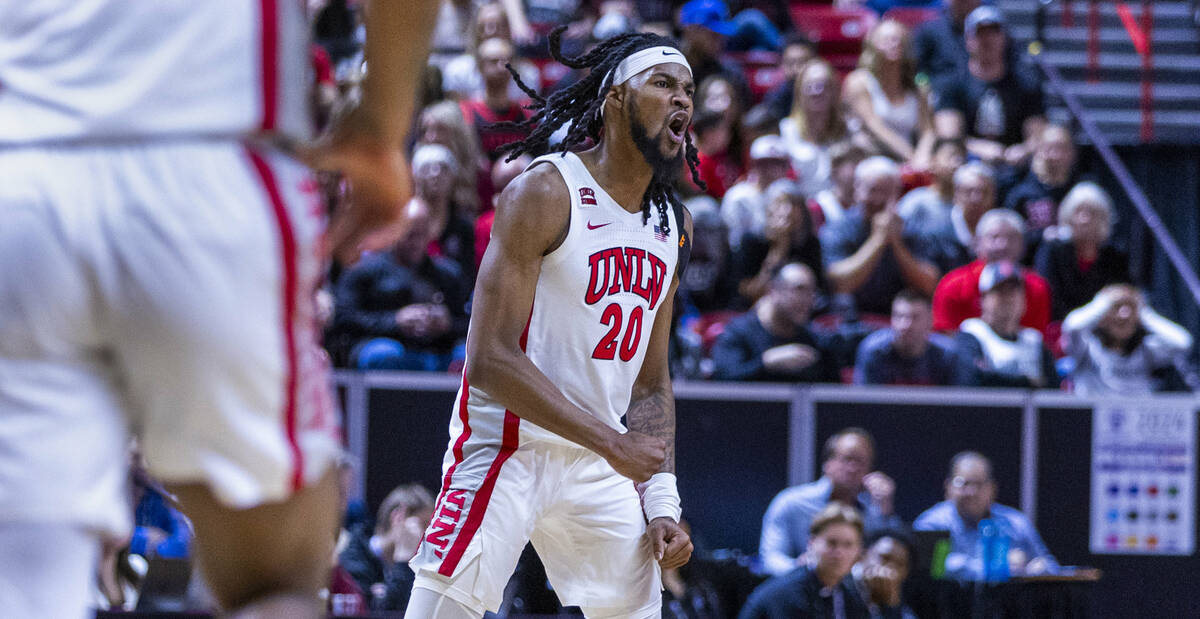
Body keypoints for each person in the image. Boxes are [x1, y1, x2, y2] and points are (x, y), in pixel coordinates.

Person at [0, 2, 438, 618]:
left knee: (22, 581)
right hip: (207, 162)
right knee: (277, 579)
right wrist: (381, 125)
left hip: (19, 172)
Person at [405, 30, 696, 618]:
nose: (682, 101)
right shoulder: (546, 190)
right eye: (663, 84)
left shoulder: (672, 225)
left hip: (596, 464)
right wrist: (612, 442)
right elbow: (488, 358)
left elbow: (649, 381)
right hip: (510, 444)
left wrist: (662, 502)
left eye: (689, 89)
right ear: (615, 99)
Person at [330, 198, 471, 371]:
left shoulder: (448, 274)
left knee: (466, 357)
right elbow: (343, 318)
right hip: (385, 345)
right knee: (384, 354)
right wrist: (395, 321)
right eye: (410, 234)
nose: (416, 242)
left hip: (438, 350)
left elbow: (470, 322)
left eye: (422, 234)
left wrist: (447, 323)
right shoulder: (363, 270)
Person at [759, 429, 902, 576]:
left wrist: (886, 509)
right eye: (847, 459)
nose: (853, 468)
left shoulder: (874, 511)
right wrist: (801, 572)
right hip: (803, 590)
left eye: (860, 461)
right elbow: (770, 560)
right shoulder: (792, 502)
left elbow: (893, 560)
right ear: (827, 463)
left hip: (856, 594)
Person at [821, 156, 946, 317]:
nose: (878, 199)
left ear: (897, 194)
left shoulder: (912, 229)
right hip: (850, 321)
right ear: (857, 189)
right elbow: (839, 283)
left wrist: (896, 243)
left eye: (886, 192)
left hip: (899, 321)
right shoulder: (838, 228)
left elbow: (929, 285)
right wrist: (877, 241)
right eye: (872, 190)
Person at [914, 452, 1059, 581]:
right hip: (949, 605)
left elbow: (1050, 566)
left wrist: (1036, 568)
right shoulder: (932, 523)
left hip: (1008, 606)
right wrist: (998, 568)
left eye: (979, 484)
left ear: (992, 489)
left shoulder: (1015, 522)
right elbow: (933, 565)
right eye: (963, 483)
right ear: (948, 487)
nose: (971, 492)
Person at [933, 6, 1044, 168]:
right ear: (967, 40)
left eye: (994, 32)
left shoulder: (1025, 83)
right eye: (980, 33)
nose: (987, 39)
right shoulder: (952, 83)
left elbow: (1037, 135)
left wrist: (1023, 150)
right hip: (966, 165)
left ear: (1004, 38)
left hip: (1015, 167)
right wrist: (979, 148)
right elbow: (949, 136)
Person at [740, 503, 880, 619]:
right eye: (832, 543)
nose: (839, 553)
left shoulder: (849, 591)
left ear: (859, 550)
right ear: (811, 543)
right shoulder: (788, 594)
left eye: (848, 545)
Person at [711, 263, 838, 383]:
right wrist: (766, 363)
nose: (808, 300)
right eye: (799, 289)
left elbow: (835, 394)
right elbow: (722, 379)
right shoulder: (738, 333)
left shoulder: (816, 341)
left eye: (812, 292)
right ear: (773, 291)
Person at [932, 209, 1053, 334]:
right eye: (994, 237)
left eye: (1011, 238)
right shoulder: (953, 286)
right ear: (977, 243)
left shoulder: (1037, 287)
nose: (1002, 245)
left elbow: (1036, 338)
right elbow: (945, 338)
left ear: (1023, 245)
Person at [1062, 285, 1194, 396]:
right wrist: (1105, 302)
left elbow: (1183, 343)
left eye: (1130, 308)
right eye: (1116, 307)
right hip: (1091, 421)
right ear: (1100, 315)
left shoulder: (1147, 350)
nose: (1124, 315)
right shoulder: (1086, 348)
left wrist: (1143, 312)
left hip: (1138, 421)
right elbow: (1072, 326)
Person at [842, 19, 936, 167]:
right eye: (887, 39)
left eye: (899, 39)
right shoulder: (859, 82)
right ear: (872, 45)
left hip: (909, 161)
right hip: (871, 157)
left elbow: (928, 131)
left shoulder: (918, 88)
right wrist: (912, 157)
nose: (894, 43)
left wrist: (922, 156)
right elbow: (874, 125)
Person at [954, 261, 1060, 388]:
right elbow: (972, 380)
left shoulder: (1034, 340)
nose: (1008, 298)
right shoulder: (972, 333)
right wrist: (1029, 382)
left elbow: (1053, 388)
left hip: (1030, 408)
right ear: (983, 299)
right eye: (1000, 292)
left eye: (1014, 291)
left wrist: (994, 377)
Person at [1034, 182, 1131, 320]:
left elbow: (1121, 292)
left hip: (1102, 326)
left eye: (1092, 213)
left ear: (1103, 219)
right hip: (1061, 323)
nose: (1084, 219)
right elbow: (1049, 295)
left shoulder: (1114, 255)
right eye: (1078, 212)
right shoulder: (1054, 250)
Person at [339, 484, 435, 612]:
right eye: (422, 524)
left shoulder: (423, 563)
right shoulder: (352, 558)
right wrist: (403, 560)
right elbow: (389, 612)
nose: (426, 534)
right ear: (397, 518)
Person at [732, 180, 828, 306]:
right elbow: (751, 293)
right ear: (768, 209)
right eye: (780, 203)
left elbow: (817, 290)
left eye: (794, 204)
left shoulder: (810, 244)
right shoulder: (752, 241)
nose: (787, 211)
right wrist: (780, 249)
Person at [854, 290, 968, 386]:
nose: (905, 325)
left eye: (915, 317)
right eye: (899, 316)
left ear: (930, 320)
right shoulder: (873, 352)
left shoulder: (948, 356)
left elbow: (959, 405)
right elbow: (864, 405)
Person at [780, 59, 850, 199]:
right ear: (799, 92)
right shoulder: (786, 130)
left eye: (823, 85)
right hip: (800, 208)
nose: (816, 92)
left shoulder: (847, 130)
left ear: (834, 91)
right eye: (809, 86)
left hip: (837, 206)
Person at [1004, 124, 1080, 243]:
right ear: (1038, 150)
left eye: (1061, 148)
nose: (1055, 155)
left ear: (1072, 152)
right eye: (1049, 148)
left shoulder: (1081, 192)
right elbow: (1010, 235)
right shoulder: (1021, 193)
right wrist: (1042, 235)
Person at [459, 37, 532, 161]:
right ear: (480, 66)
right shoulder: (466, 111)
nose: (502, 68)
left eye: (507, 62)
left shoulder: (528, 112)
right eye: (494, 61)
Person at [916, 161, 997, 270]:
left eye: (984, 192)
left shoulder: (1001, 234)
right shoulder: (937, 231)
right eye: (969, 191)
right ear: (956, 194)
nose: (976, 198)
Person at [913, 0, 981, 89]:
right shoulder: (928, 31)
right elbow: (917, 72)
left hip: (984, 98)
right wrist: (924, 87)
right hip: (939, 98)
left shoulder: (995, 31)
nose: (965, 1)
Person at [853, 531, 917, 619]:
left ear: (905, 573)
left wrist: (892, 605)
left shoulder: (902, 607)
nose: (891, 567)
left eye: (899, 564)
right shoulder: (842, 585)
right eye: (885, 558)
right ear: (863, 555)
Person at [761, 34, 819, 123]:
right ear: (782, 65)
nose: (796, 69)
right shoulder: (775, 99)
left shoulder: (825, 95)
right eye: (790, 63)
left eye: (802, 62)